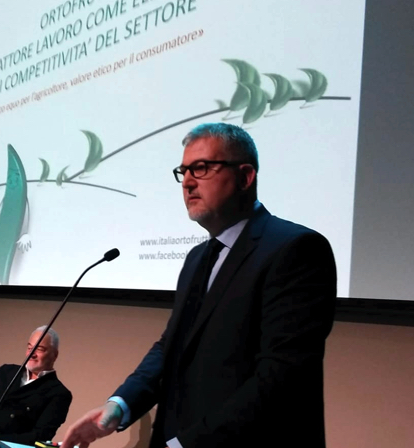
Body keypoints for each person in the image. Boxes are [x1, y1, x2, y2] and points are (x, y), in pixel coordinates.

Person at [63, 123, 337, 448]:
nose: (188, 182)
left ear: (245, 177)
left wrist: (184, 444)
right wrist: (120, 405)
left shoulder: (296, 249)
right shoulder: (196, 258)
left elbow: (280, 378)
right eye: (184, 171)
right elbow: (171, 347)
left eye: (202, 168)